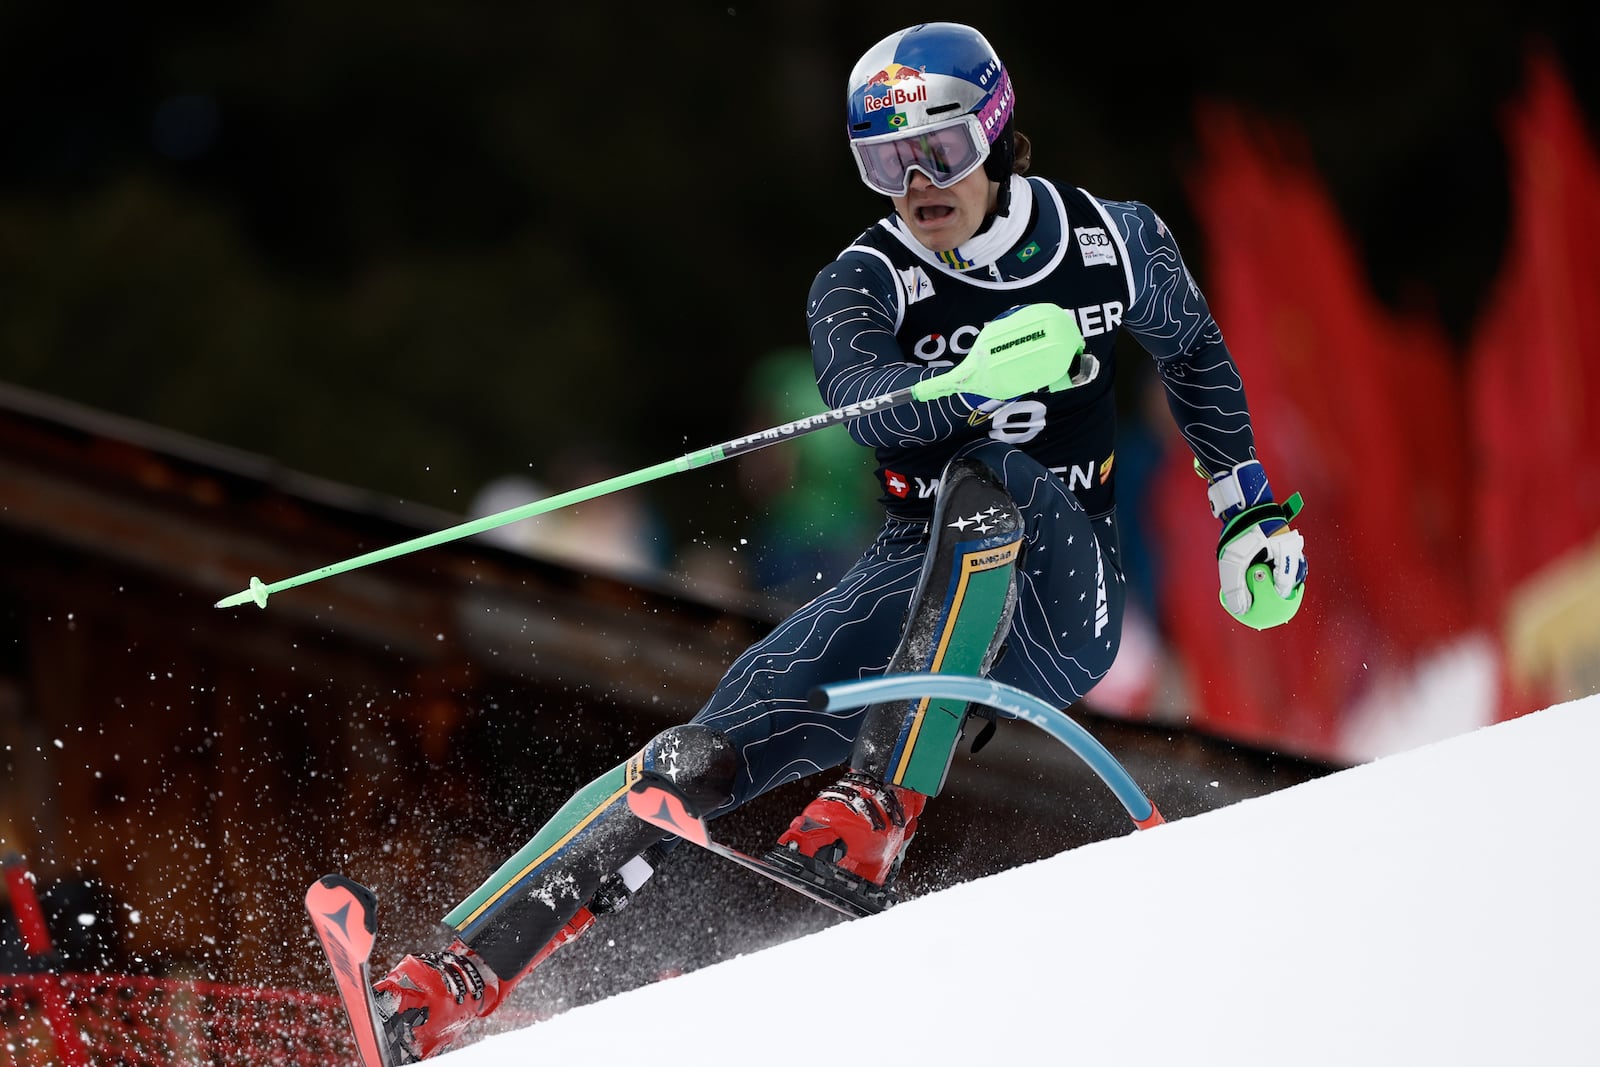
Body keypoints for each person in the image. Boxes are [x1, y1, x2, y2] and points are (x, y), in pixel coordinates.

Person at [365, 22, 1309, 1061]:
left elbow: (1196, 354)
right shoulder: (865, 279)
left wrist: (1247, 509)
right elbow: (862, 403)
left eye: (938, 153)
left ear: (993, 135)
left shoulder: (1109, 238)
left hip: (1058, 588)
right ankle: (454, 976)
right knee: (700, 750)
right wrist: (953, 383)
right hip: (920, 575)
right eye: (882, 163)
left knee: (994, 476)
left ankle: (879, 799)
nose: (915, 183)